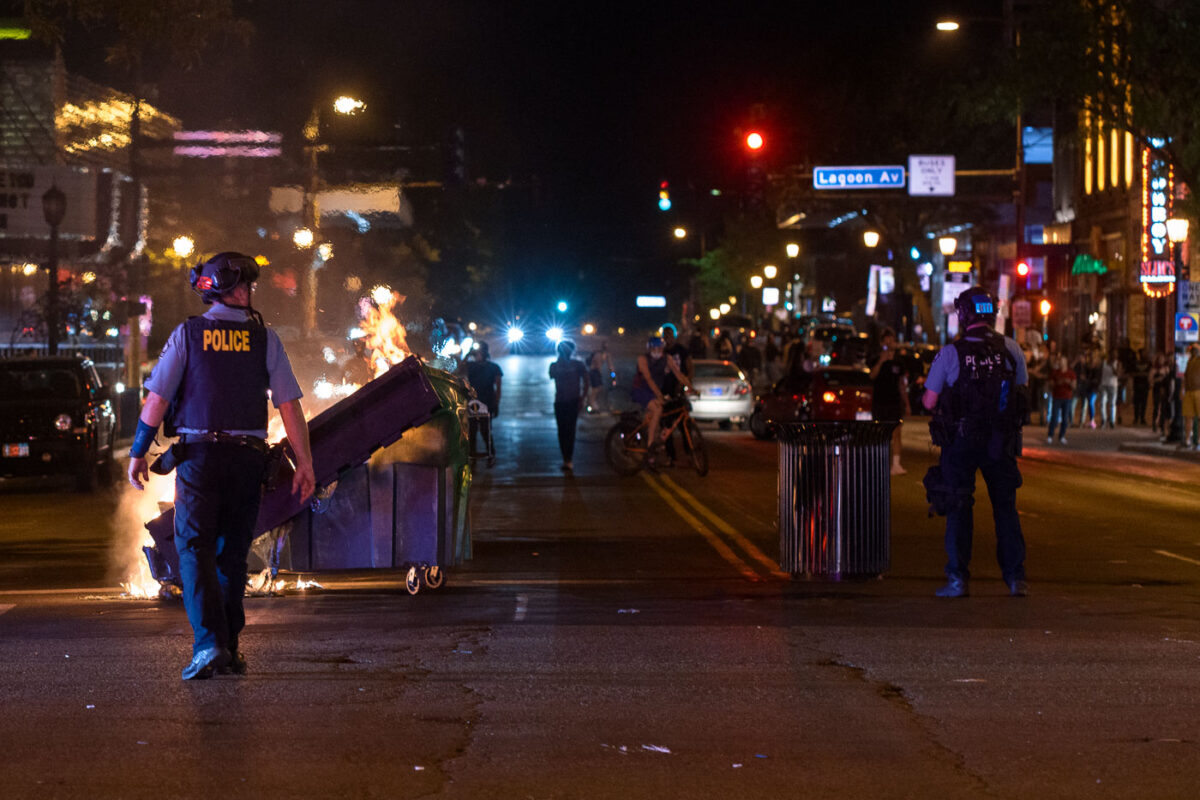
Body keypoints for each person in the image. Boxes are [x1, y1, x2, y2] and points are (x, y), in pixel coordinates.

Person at [128, 252, 315, 680]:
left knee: (193, 549)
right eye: (243, 286)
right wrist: (305, 463)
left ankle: (209, 644)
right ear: (230, 289)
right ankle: (230, 648)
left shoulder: (188, 335)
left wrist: (138, 452)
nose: (248, 293)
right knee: (231, 556)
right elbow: (289, 405)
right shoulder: (264, 338)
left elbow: (157, 400)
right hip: (248, 460)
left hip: (200, 459)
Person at [922, 286, 1029, 599]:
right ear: (992, 314)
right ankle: (1016, 579)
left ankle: (958, 579)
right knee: (1006, 510)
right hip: (1001, 441)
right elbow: (1022, 393)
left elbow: (929, 402)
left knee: (959, 507)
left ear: (964, 314)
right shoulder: (1012, 349)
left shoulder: (951, 353)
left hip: (962, 442)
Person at [631, 335, 691, 464]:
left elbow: (678, 374)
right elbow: (648, 378)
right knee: (657, 408)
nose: (657, 351)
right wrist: (659, 395)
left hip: (655, 391)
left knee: (657, 420)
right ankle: (650, 445)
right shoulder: (642, 359)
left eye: (660, 348)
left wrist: (691, 386)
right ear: (649, 348)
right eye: (654, 348)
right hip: (642, 390)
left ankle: (651, 458)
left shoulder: (667, 358)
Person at [869, 327, 910, 475]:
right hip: (880, 402)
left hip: (895, 402)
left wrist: (907, 403)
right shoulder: (876, 358)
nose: (889, 344)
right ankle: (879, 463)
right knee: (880, 434)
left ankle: (896, 465)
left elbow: (902, 384)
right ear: (881, 343)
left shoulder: (899, 362)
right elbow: (872, 376)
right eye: (886, 342)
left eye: (891, 341)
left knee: (897, 433)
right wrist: (881, 360)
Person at [549, 340, 589, 471]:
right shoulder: (555, 365)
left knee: (569, 430)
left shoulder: (578, 365)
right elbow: (552, 375)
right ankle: (566, 458)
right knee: (563, 431)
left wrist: (582, 398)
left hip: (572, 401)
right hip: (561, 401)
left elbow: (586, 381)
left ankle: (568, 458)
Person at [462, 341, 503, 464]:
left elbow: (498, 387)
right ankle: (472, 455)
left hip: (487, 402)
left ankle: (491, 455)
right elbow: (459, 367)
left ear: (485, 352)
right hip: (473, 403)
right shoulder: (471, 366)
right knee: (472, 431)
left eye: (480, 352)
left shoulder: (494, 367)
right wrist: (468, 353)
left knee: (486, 431)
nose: (477, 355)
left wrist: (496, 403)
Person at [1046, 354, 1076, 444]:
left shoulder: (1071, 373)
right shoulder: (1055, 372)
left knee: (1065, 418)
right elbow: (1050, 385)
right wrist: (1057, 383)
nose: (1061, 363)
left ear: (1066, 362)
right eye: (1060, 361)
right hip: (1057, 397)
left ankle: (1062, 436)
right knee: (1054, 417)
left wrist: (1069, 382)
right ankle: (1050, 435)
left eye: (1063, 361)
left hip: (1067, 398)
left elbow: (1074, 386)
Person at [1180, 343, 1200, 449]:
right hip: (1189, 392)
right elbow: (1185, 377)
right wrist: (1182, 390)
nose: (1193, 352)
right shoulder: (1189, 362)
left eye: (1195, 350)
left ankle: (1198, 441)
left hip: (1198, 391)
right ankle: (1188, 440)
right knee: (1188, 417)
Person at [585, 342, 615, 414]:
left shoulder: (604, 354)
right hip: (594, 372)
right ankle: (592, 406)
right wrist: (613, 377)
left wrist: (613, 376)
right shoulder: (599, 354)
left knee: (597, 389)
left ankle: (592, 405)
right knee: (595, 390)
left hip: (595, 372)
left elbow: (610, 367)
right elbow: (608, 367)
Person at [1098, 352, 1121, 429]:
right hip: (1103, 384)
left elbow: (1117, 374)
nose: (1113, 357)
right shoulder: (1103, 363)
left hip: (1113, 385)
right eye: (1112, 355)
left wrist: (1112, 367)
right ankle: (1103, 419)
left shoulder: (1117, 363)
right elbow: (1099, 373)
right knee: (1102, 403)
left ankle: (1112, 421)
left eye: (1115, 355)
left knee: (1112, 403)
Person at [1151, 352, 1172, 433]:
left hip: (1165, 390)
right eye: (1160, 359)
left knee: (1163, 408)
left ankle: (1162, 425)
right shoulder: (1154, 369)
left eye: (1162, 359)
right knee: (1156, 407)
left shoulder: (1166, 368)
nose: (1161, 360)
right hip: (1156, 389)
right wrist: (1158, 379)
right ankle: (1154, 423)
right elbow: (1150, 380)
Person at [1131, 348, 1151, 426]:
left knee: (1144, 403)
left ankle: (1142, 418)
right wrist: (1142, 374)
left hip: (1145, 385)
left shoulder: (1148, 363)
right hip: (1137, 385)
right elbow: (1132, 373)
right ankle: (1136, 418)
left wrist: (1140, 374)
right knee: (1136, 403)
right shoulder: (1135, 363)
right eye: (1142, 353)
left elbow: (1149, 374)